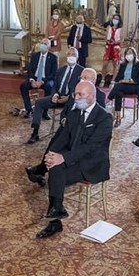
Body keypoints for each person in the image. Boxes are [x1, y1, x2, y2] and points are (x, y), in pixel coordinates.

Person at [30, 80, 113, 240]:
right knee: (55, 166)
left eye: (81, 94)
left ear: (92, 96)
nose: (76, 97)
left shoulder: (104, 118)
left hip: (92, 164)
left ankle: (55, 216)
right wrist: (51, 154)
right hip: (74, 158)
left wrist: (63, 157)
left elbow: (90, 147)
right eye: (75, 94)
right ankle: (56, 214)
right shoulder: (74, 113)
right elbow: (62, 138)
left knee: (57, 170)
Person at [27, 48, 82, 144]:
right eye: (69, 54)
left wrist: (69, 97)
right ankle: (35, 133)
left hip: (71, 99)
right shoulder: (61, 70)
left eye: (73, 54)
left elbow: (81, 89)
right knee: (39, 103)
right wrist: (55, 94)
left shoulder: (81, 71)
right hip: (57, 97)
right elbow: (55, 85)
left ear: (77, 57)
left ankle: (64, 137)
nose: (71, 56)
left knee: (71, 110)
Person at [20, 40, 58, 116]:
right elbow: (30, 70)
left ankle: (45, 112)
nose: (43, 45)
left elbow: (53, 74)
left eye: (45, 44)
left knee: (49, 87)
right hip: (35, 78)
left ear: (49, 47)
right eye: (42, 43)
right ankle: (29, 109)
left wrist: (42, 81)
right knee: (23, 86)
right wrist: (32, 80)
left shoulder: (53, 58)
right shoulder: (34, 56)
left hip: (46, 79)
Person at [108, 47, 139, 126]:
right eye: (127, 53)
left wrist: (131, 80)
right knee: (118, 93)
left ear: (134, 54)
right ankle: (118, 117)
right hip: (123, 86)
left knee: (118, 87)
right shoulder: (123, 65)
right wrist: (122, 80)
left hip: (134, 87)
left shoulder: (138, 65)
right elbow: (118, 78)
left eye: (130, 53)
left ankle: (108, 99)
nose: (128, 55)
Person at [100, 14, 123, 87]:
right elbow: (105, 37)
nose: (115, 20)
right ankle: (102, 79)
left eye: (117, 19)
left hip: (116, 48)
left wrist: (115, 42)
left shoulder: (121, 29)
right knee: (105, 64)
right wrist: (108, 41)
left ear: (119, 21)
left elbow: (121, 39)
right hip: (108, 47)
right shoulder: (109, 27)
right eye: (114, 18)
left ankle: (113, 81)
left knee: (115, 65)